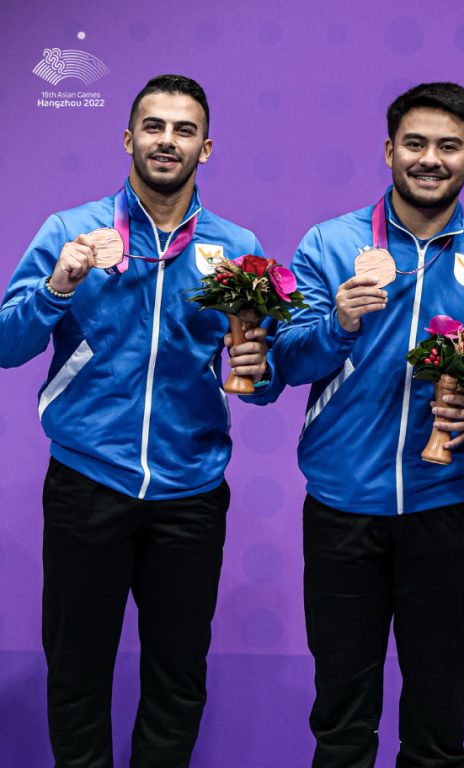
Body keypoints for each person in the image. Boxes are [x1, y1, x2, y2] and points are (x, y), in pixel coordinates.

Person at [0, 74, 281, 767]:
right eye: (153, 127)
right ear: (128, 138)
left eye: (184, 130)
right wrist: (58, 286)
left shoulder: (235, 246)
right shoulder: (69, 231)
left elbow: (260, 380)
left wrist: (260, 364)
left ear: (205, 148)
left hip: (190, 493)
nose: (167, 141)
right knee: (76, 673)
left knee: (177, 679)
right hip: (87, 483)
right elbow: (7, 343)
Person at [273, 82, 464, 767]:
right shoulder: (329, 243)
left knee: (437, 720)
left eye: (449, 146)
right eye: (415, 143)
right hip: (342, 508)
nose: (430, 159)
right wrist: (338, 323)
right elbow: (287, 362)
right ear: (389, 151)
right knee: (342, 718)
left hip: (444, 509)